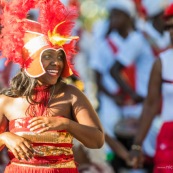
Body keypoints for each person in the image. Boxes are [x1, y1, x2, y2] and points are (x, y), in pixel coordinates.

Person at [0, 1, 104, 173]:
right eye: (48, 56)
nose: (56, 63)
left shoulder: (71, 94)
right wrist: (5, 137)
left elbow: (97, 140)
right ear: (30, 60)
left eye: (60, 56)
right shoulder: (6, 101)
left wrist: (65, 123)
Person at [128, 3, 173, 173]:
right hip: (169, 137)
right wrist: (137, 145)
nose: (172, 32)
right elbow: (150, 105)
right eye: (169, 27)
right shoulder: (162, 62)